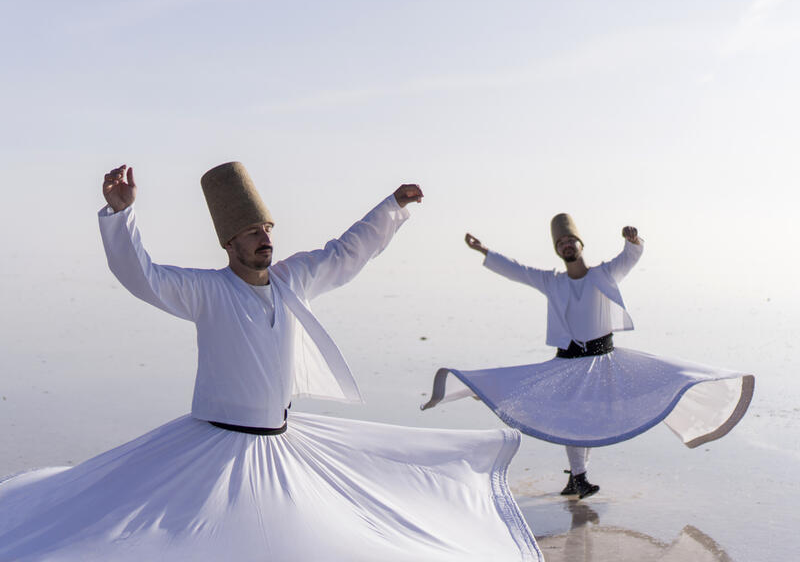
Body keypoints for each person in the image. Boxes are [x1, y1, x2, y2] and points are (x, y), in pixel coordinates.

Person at [0, 163, 542, 561]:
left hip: (282, 443)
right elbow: (143, 275)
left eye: (268, 230)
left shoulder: (293, 279)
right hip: (212, 445)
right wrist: (122, 216)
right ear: (229, 242)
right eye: (254, 233)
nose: (265, 239)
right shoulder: (205, 291)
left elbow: (346, 252)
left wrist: (392, 207)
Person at [422, 213, 754, 499]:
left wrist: (634, 240)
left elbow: (630, 257)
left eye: (571, 240)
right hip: (567, 361)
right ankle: (579, 478)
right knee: (574, 418)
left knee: (593, 418)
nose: (566, 245)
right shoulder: (551, 282)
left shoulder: (603, 274)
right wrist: (485, 251)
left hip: (602, 358)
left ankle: (575, 477)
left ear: (581, 244)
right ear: (558, 250)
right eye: (560, 243)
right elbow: (518, 270)